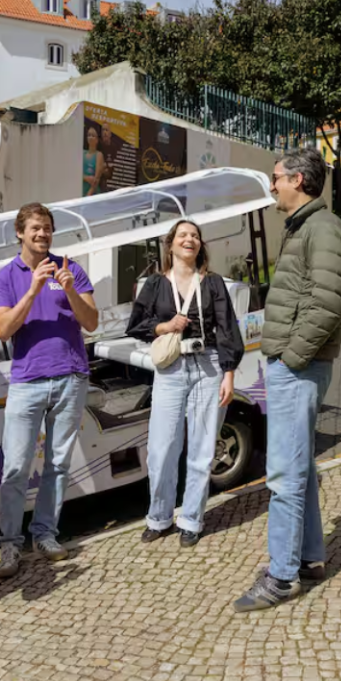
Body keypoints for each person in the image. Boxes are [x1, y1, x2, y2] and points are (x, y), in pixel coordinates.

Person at [233, 148, 341, 613]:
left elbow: (326, 303)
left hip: (297, 366)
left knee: (284, 473)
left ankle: (282, 576)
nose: (272, 184)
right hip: (292, 364)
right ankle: (310, 559)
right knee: (300, 469)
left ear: (298, 180)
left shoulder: (323, 229)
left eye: (276, 177)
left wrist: (291, 357)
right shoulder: (305, 226)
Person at [0, 202, 99, 577]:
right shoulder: (6, 276)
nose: (42, 234)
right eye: (35, 228)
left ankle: (45, 534)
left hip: (71, 377)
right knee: (16, 466)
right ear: (20, 232)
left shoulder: (72, 269)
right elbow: (3, 329)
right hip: (27, 381)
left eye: (48, 228)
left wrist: (68, 290)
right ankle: (8, 545)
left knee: (57, 464)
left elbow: (92, 323)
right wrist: (35, 288)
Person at [126, 220, 243, 547]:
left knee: (203, 449)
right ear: (171, 245)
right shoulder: (155, 283)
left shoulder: (213, 283)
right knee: (161, 449)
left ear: (199, 245)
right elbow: (135, 325)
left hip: (208, 366)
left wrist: (229, 373)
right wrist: (165, 326)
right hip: (171, 369)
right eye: (183, 235)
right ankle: (159, 517)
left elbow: (228, 329)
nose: (189, 239)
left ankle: (191, 519)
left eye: (194, 235)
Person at [83, 126, 106, 197]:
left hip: (91, 195)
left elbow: (96, 179)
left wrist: (88, 196)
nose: (90, 137)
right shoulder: (82, 153)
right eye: (89, 135)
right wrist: (86, 178)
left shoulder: (99, 155)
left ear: (97, 139)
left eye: (93, 135)